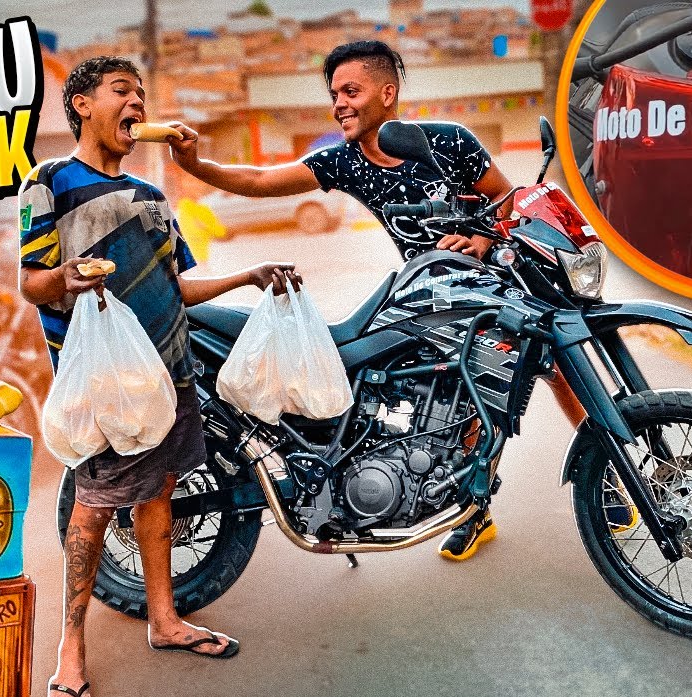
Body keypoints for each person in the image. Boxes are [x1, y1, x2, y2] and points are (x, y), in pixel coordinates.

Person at [167, 40, 588, 561]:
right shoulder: (345, 162)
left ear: (387, 94)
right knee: (454, 402)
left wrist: (482, 240)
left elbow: (507, 199)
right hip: (426, 296)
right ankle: (470, 508)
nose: (339, 103)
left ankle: (605, 473)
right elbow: (258, 180)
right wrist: (195, 165)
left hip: (491, 282)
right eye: (334, 94)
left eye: (351, 90)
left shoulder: (448, 142)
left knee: (556, 363)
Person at [18, 56, 300, 697]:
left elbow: (178, 288)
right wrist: (68, 279)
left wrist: (248, 275)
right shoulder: (50, 182)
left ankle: (165, 619)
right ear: (83, 104)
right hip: (104, 385)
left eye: (142, 95)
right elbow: (30, 280)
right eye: (123, 91)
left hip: (171, 373)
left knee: (161, 492)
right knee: (92, 509)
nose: (137, 104)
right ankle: (70, 652)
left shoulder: (151, 195)